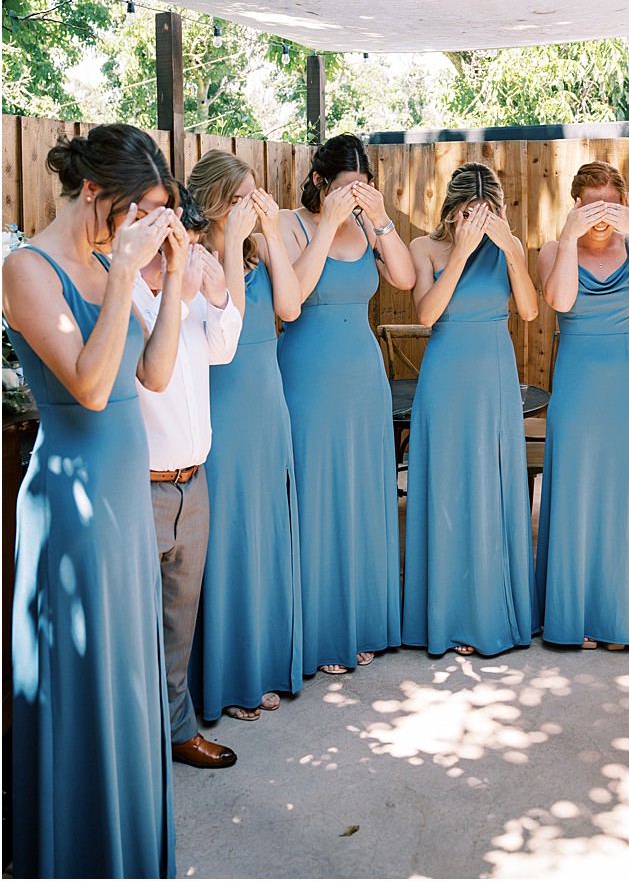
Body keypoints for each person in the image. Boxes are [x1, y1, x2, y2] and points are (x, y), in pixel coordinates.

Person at [3, 124, 183, 878]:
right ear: (91, 192)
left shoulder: (114, 257)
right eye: (138, 208)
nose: (146, 223)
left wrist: (171, 276)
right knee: (83, 680)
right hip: (73, 508)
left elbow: (157, 374)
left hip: (123, 494)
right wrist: (120, 279)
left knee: (128, 677)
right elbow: (89, 383)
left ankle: (128, 849)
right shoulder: (27, 268)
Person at [278, 134, 416, 673]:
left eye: (363, 187)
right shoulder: (289, 224)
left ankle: (361, 621)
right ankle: (320, 631)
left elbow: (403, 278)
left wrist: (379, 220)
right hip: (307, 374)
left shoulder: (366, 223)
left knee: (361, 493)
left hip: (362, 375)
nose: (354, 196)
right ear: (318, 182)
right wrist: (328, 226)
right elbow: (294, 300)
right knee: (316, 496)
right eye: (344, 188)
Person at [187, 150, 305, 722]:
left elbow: (290, 305)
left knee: (265, 531)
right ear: (212, 203)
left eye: (254, 197)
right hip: (222, 401)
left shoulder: (258, 249)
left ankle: (263, 663)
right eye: (239, 199)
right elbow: (225, 325)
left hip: (267, 399)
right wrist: (232, 241)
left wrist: (273, 233)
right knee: (230, 535)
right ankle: (225, 676)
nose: (248, 209)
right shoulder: (197, 256)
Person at [403, 162, 539, 656]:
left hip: (494, 377)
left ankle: (489, 609)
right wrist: (459, 253)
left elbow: (528, 311)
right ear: (451, 211)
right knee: (446, 488)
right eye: (468, 212)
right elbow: (426, 313)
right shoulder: (425, 248)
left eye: (488, 212)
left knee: (491, 487)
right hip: (445, 376)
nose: (477, 221)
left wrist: (510, 251)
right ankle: (446, 614)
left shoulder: (509, 248)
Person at [534, 161, 629, 649]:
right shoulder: (554, 250)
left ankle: (618, 615)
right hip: (575, 388)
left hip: (625, 389)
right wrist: (570, 239)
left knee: (621, 497)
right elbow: (561, 301)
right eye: (590, 205)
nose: (600, 216)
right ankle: (573, 618)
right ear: (576, 204)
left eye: (610, 205)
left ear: (623, 204)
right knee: (575, 493)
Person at [132, 184, 243, 767]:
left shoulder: (198, 286)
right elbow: (153, 369)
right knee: (132, 626)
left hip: (193, 480)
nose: (191, 253)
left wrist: (220, 295)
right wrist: (181, 290)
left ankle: (177, 731)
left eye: (195, 243)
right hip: (140, 485)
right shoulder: (123, 289)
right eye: (183, 242)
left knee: (180, 621)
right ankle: (131, 747)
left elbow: (223, 351)